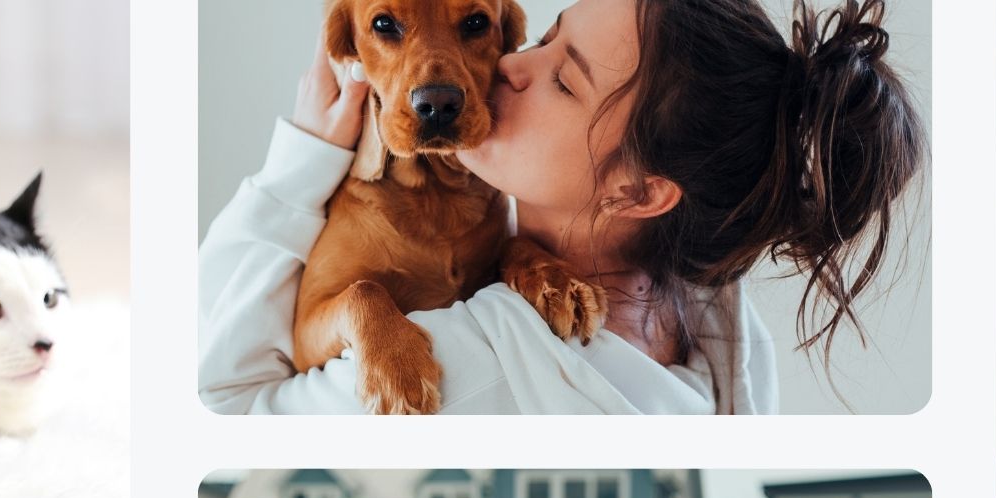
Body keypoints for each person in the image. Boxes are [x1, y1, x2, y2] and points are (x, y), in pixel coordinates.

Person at [200, 0, 924, 414]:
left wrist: (295, 166)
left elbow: (220, 404)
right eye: (545, 38)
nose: (510, 67)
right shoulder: (724, 332)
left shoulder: (468, 367)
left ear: (638, 192)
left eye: (564, 80)